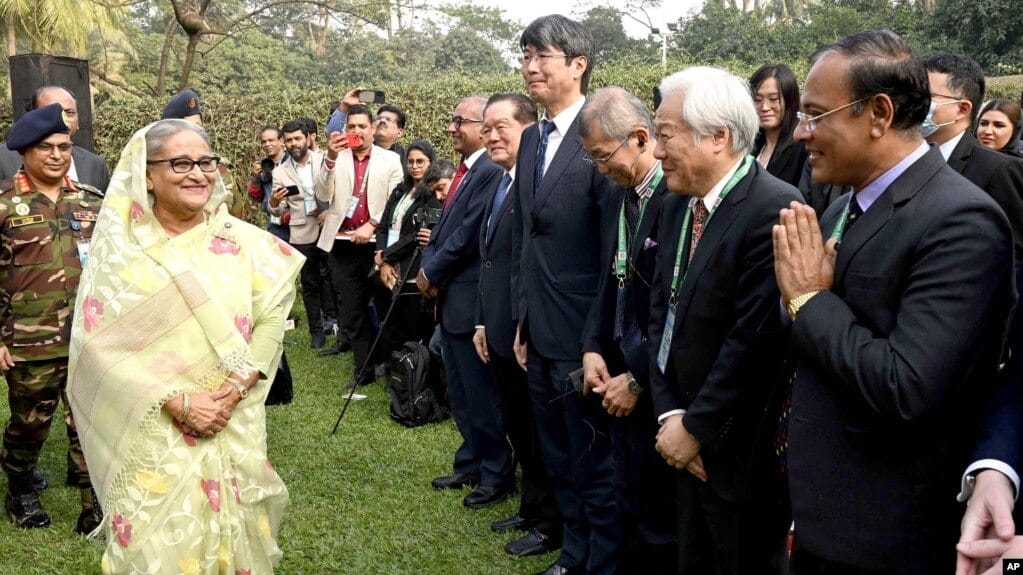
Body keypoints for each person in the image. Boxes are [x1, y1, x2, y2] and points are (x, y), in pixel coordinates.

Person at [774, 30, 1014, 574]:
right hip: (819, 513)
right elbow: (800, 321)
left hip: (882, 535)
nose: (801, 132)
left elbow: (908, 386)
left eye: (815, 115)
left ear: (878, 113)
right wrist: (801, 298)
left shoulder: (959, 221)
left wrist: (810, 299)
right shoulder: (843, 200)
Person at [67, 119, 303, 573]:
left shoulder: (243, 244)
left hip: (230, 419)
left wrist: (233, 391)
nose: (198, 173)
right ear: (147, 174)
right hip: (156, 427)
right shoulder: (122, 252)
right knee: (159, 548)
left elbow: (273, 315)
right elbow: (96, 347)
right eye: (180, 163)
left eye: (205, 162)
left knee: (233, 538)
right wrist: (178, 401)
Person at [648, 68, 799, 574]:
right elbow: (660, 310)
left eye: (666, 135)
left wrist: (698, 427)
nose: (657, 151)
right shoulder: (676, 203)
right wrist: (670, 414)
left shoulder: (773, 209)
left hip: (736, 448)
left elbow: (753, 342)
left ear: (719, 137)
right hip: (679, 433)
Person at [510, 15, 621, 575]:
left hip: (584, 336)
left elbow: (610, 256)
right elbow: (528, 240)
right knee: (556, 452)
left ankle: (595, 557)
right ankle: (573, 548)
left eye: (542, 57)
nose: (530, 67)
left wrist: (595, 339)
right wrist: (522, 322)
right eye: (525, 55)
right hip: (540, 331)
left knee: (591, 457)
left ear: (578, 65)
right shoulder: (531, 138)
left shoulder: (601, 136)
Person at [577, 87, 677, 573]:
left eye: (602, 156)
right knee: (625, 498)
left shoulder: (675, 198)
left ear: (640, 138)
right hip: (616, 375)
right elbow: (609, 278)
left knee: (659, 518)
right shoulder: (623, 195)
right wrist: (594, 345)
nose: (599, 169)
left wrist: (637, 376)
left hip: (655, 383)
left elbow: (672, 307)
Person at [0, 103, 104, 532]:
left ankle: (92, 502)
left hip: (90, 337)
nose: (58, 155)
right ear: (25, 151)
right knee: (30, 423)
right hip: (28, 339)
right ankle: (21, 487)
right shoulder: (6, 205)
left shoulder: (94, 202)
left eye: (64, 146)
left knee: (89, 421)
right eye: (47, 148)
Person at [473, 92, 561, 558]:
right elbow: (491, 261)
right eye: (485, 128)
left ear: (529, 129)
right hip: (500, 327)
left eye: (500, 126)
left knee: (537, 431)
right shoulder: (499, 182)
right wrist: (484, 323)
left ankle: (549, 523)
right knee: (518, 426)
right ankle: (532, 508)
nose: (491, 136)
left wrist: (519, 325)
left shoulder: (533, 186)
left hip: (528, 332)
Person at [418, 96, 514, 510]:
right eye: (452, 120)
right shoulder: (464, 171)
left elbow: (468, 235)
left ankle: (496, 473)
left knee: (479, 393)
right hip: (452, 300)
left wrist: (430, 272)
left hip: (472, 297)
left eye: (461, 121)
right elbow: (445, 231)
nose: (452, 128)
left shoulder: (490, 170)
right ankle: (471, 460)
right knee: (459, 389)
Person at [317, 104, 403, 388]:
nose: (356, 132)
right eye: (351, 126)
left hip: (377, 247)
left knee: (386, 307)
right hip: (342, 244)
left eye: (362, 126)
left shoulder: (390, 160)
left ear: (372, 128)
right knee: (353, 311)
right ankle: (363, 369)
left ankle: (393, 368)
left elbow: (396, 200)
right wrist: (329, 157)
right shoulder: (335, 157)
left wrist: (374, 224)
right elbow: (321, 193)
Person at [922, 54, 1023, 258]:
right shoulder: (905, 161)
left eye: (926, 97)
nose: (912, 104)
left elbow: (1014, 252)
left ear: (962, 109)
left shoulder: (1000, 169)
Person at [268, 119, 330, 349]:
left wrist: (326, 209)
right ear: (284, 142)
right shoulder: (280, 172)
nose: (294, 143)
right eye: (290, 140)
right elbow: (278, 209)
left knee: (334, 279)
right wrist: (274, 202)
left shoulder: (324, 160)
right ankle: (316, 332)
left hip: (328, 228)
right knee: (310, 282)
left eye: (298, 138)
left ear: (308, 138)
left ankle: (340, 326)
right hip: (302, 233)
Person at [373, 139, 438, 352]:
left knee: (412, 325)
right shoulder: (400, 190)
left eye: (421, 161)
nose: (415, 166)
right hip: (388, 262)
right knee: (389, 321)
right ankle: (394, 367)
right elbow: (383, 226)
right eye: (410, 161)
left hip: (411, 266)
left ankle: (414, 372)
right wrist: (382, 256)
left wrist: (386, 256)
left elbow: (417, 235)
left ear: (430, 163)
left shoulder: (433, 195)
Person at [0, 86, 110, 192]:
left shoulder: (96, 165)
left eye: (69, 112)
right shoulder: (3, 158)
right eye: (51, 112)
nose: (62, 118)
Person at [162, 88, 250, 220]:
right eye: (186, 127)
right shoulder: (156, 169)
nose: (195, 132)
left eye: (198, 126)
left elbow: (237, 217)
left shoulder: (220, 168)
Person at [750, 63, 808, 187]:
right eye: (758, 100)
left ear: (790, 100)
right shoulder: (749, 148)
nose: (764, 107)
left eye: (774, 99)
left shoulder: (803, 149)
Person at [247, 125, 289, 241]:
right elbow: (255, 197)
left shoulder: (292, 161)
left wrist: (276, 174)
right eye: (264, 141)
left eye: (271, 140)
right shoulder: (262, 165)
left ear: (281, 141)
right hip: (274, 223)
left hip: (295, 221)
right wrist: (255, 178)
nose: (267, 144)